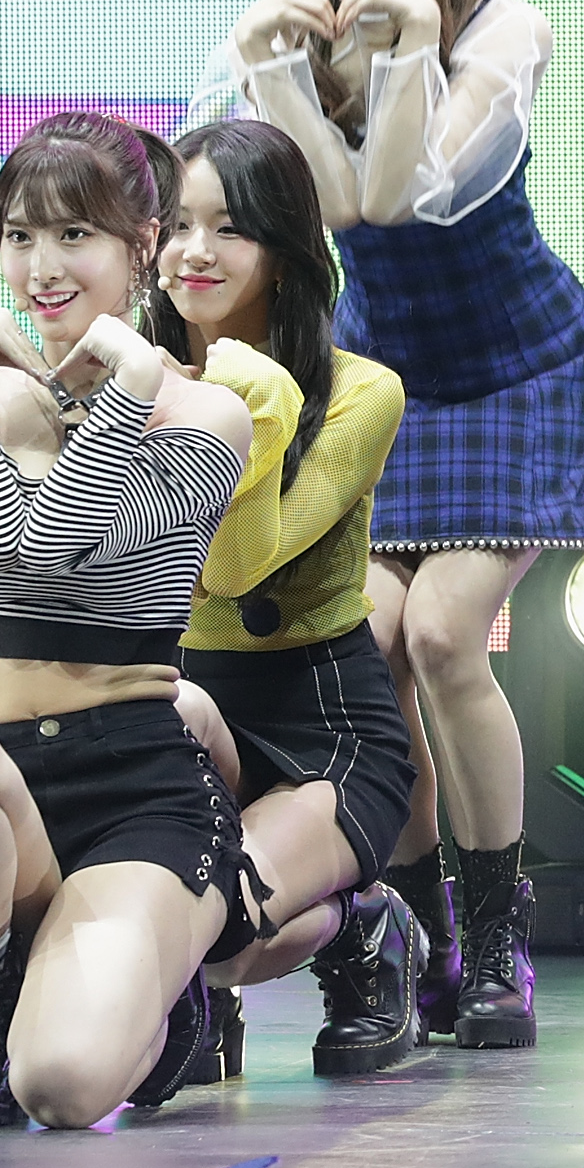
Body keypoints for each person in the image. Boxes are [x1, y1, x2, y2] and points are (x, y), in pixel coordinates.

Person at [192, 0, 584, 1049]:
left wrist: (403, 45)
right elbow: (313, 209)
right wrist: (270, 69)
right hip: (379, 375)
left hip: (518, 368)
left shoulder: (501, 31)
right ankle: (414, 931)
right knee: (369, 645)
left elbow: (407, 195)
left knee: (447, 631)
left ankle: (497, 943)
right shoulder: (275, 34)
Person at [0, 113, 256, 1129]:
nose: (41, 268)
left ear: (143, 244)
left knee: (62, 1088)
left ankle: (163, 995)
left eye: (74, 234)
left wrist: (130, 384)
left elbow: (58, 541)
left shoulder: (208, 415)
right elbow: (3, 547)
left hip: (135, 787)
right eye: (18, 235)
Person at [151, 117, 421, 1079]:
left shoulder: (361, 393)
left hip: (322, 723)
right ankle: (193, 1003)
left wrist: (248, 395)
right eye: (176, 225)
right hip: (179, 707)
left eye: (229, 228)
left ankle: (365, 926)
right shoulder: (127, 381)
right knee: (153, 920)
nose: (194, 252)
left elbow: (234, 566)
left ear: (285, 248)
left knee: (218, 923)